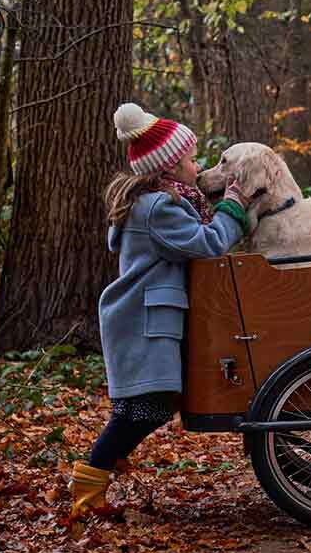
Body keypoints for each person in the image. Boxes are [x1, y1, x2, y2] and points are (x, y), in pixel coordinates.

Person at [70, 103, 251, 519]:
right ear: (168, 168)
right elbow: (206, 244)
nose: (196, 164)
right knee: (146, 407)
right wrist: (233, 207)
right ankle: (88, 485)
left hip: (144, 318)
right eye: (189, 158)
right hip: (143, 321)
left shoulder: (159, 202)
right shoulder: (159, 208)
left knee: (142, 407)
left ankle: (98, 474)